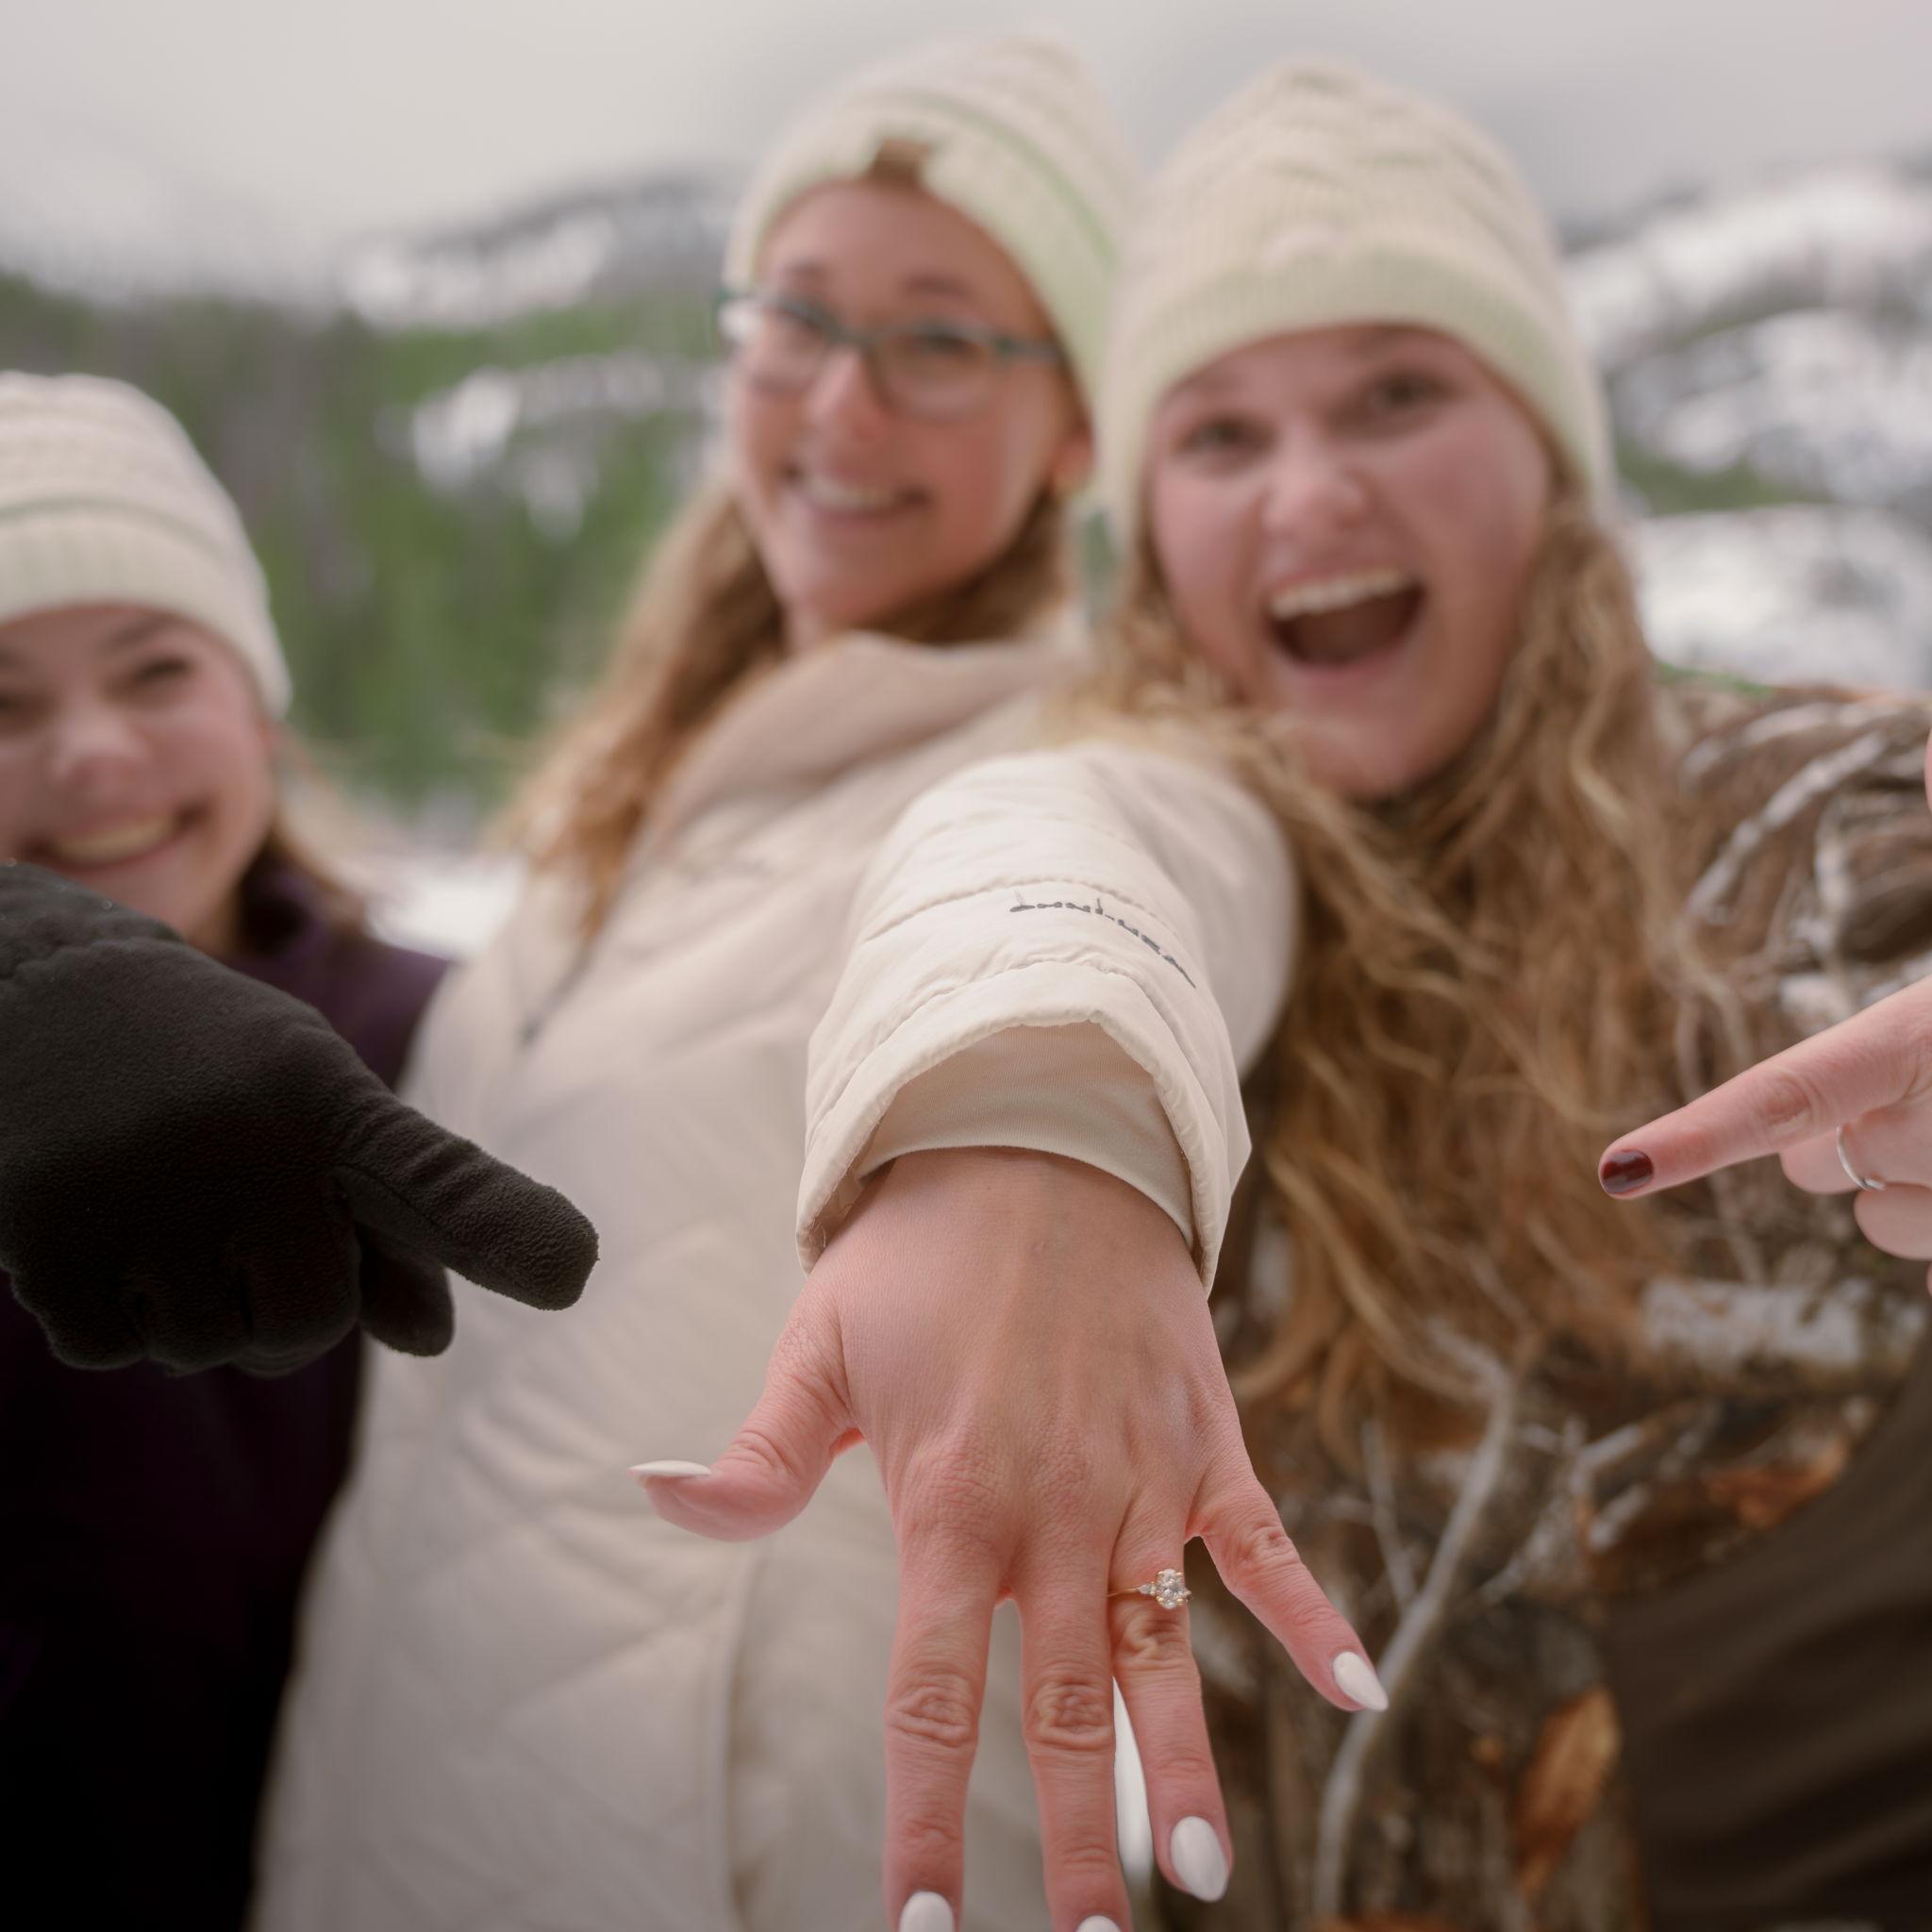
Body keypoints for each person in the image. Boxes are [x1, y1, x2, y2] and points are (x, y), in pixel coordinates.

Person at [254, 37, 1350, 1932]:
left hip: (758, 1851)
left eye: (940, 342)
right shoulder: (644, 789)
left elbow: (1109, 863)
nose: (843, 400)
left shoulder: (1085, 750)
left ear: (1074, 432)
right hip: (393, 1802)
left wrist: (1050, 1109)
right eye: (799, 318)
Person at [1061, 59, 1931, 1930]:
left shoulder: (1799, 836)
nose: (1313, 489)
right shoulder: (1139, 953)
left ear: (1550, 456)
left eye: (1399, 391)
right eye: (1220, 434)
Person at [0, 372, 449, 1927]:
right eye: (4, 705)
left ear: (257, 707)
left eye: (156, 671)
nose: (93, 754)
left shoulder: (450, 1037)